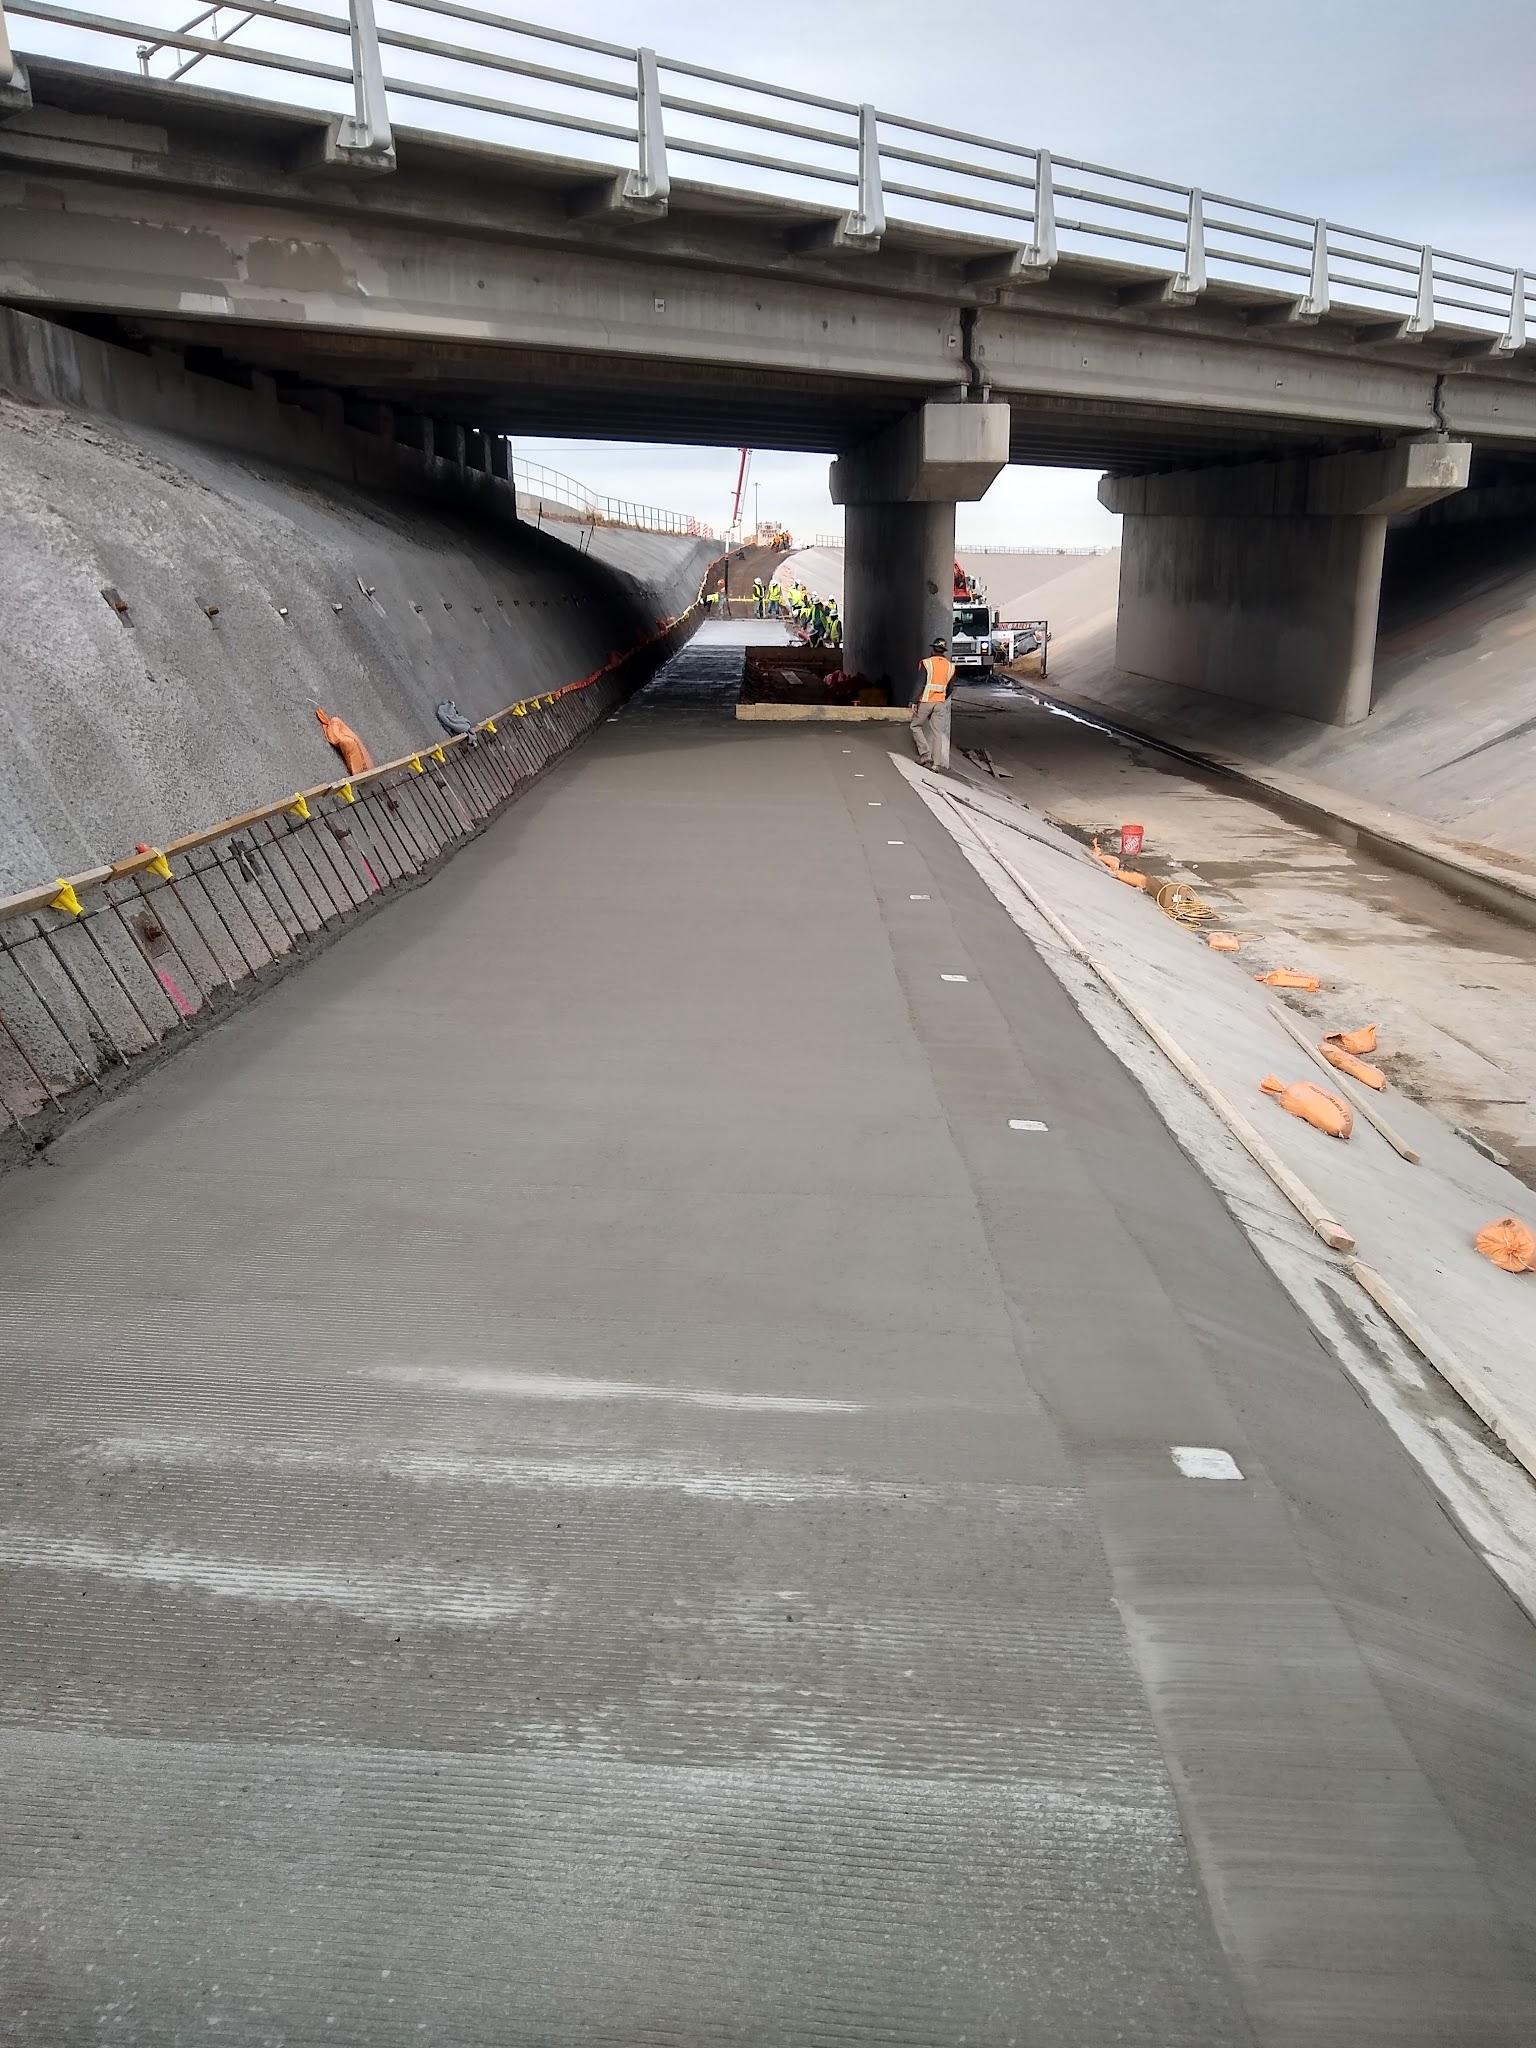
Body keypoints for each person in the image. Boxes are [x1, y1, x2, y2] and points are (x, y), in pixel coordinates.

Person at [910, 637, 956, 771]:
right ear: (944, 651)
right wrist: (942, 698)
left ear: (933, 649)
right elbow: (951, 688)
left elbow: (920, 683)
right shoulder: (950, 666)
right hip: (940, 702)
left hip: (926, 701)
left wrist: (913, 700)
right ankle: (936, 764)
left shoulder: (926, 663)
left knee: (915, 725)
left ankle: (925, 754)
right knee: (938, 733)